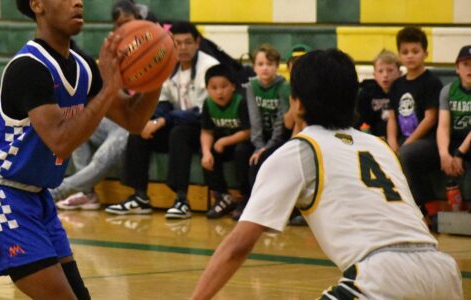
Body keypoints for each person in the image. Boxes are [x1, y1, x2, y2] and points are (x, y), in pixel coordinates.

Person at [190, 49, 463, 300]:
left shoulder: (299, 150)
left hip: (382, 276)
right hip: (443, 272)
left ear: (296, 103)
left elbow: (238, 246)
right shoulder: (380, 147)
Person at [0, 0, 162, 298]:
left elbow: (133, 120)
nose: (78, 1)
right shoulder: (29, 68)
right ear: (38, 4)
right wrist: (108, 89)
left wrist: (156, 75)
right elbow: (61, 140)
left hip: (36, 196)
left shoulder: (82, 66)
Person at [105, 21, 219, 219]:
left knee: (179, 133)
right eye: (178, 43)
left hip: (202, 129)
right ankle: (139, 196)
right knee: (139, 132)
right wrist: (152, 121)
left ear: (197, 43)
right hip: (174, 123)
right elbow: (162, 103)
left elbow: (200, 112)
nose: (182, 48)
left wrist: (162, 121)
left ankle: (182, 199)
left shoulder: (209, 67)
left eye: (188, 43)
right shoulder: (166, 64)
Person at [386, 27, 444, 222]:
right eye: (405, 52)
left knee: (407, 154)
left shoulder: (431, 82)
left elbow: (430, 119)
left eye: (415, 51)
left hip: (428, 141)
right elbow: (393, 118)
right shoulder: (396, 85)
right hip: (404, 140)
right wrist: (392, 142)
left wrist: (406, 143)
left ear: (425, 53)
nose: (410, 56)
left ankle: (430, 208)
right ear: (399, 55)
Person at [234, 44, 288, 220]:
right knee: (242, 152)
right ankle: (245, 198)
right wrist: (258, 146)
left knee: (263, 158)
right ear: (254, 67)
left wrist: (267, 148)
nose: (265, 68)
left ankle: (262, 205)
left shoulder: (283, 86)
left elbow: (281, 122)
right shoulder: (251, 86)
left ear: (277, 66)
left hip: (279, 137)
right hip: (260, 137)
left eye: (270, 64)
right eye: (260, 64)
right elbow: (254, 120)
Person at [200, 64, 253, 219]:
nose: (219, 92)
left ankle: (245, 197)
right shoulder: (208, 104)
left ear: (233, 87)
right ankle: (222, 196)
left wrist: (224, 141)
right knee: (208, 153)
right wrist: (206, 153)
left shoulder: (240, 101)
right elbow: (206, 131)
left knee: (242, 151)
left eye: (224, 86)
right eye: (214, 88)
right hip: (223, 143)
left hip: (242, 142)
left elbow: (248, 131)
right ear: (207, 89)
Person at [52, 118, 128, 210]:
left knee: (102, 156)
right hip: (116, 122)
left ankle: (55, 192)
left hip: (133, 128)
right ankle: (87, 194)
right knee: (77, 127)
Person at [437, 45, 471, 204]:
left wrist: (459, 154)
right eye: (466, 64)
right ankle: (428, 210)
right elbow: (443, 126)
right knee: (411, 154)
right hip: (456, 140)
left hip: (467, 143)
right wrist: (444, 154)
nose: (470, 69)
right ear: (457, 68)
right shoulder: (448, 91)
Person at [355, 49, 402, 137]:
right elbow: (362, 121)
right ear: (375, 75)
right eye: (380, 71)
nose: (385, 75)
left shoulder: (404, 92)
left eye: (390, 70)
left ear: (399, 73)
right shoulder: (367, 93)